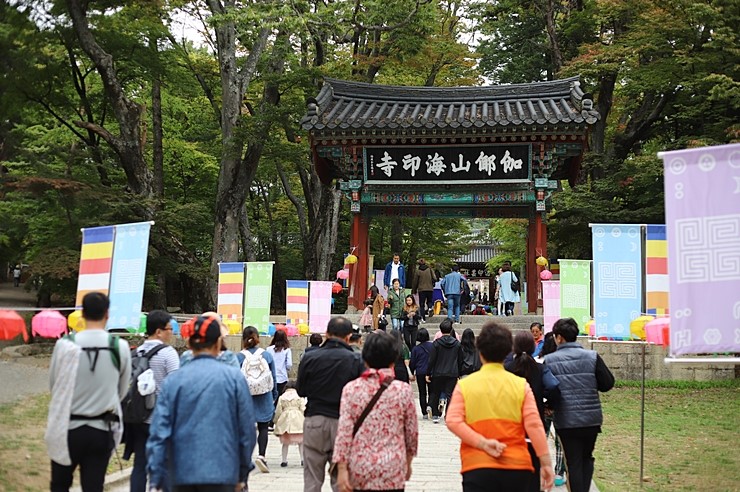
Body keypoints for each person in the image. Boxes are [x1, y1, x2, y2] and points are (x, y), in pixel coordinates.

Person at [146, 315, 256, 492]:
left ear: (189, 344)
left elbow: (159, 432)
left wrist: (156, 476)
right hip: (223, 472)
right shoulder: (234, 378)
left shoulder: (173, 382)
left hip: (181, 473)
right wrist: (242, 473)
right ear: (218, 343)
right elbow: (246, 430)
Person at [446, 321, 554, 492]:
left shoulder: (466, 385)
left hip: (477, 465)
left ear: (479, 352)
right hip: (516, 465)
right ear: (507, 352)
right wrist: (546, 462)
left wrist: (481, 443)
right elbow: (534, 425)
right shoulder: (520, 386)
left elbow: (452, 421)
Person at [47, 292, 132, 492]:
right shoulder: (119, 347)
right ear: (107, 314)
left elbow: (55, 386)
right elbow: (120, 391)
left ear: (82, 314)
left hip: (68, 428)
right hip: (101, 430)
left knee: (59, 484)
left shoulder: (65, 345)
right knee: (94, 486)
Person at [333, 331, 418, 492]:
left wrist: (342, 470)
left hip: (360, 467)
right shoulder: (403, 390)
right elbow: (411, 433)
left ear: (364, 359)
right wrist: (408, 462)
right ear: (393, 360)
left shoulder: (351, 389)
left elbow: (344, 432)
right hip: (393, 467)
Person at [545, 318, 615, 492]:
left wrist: (549, 405)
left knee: (573, 461)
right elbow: (607, 383)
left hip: (566, 420)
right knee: (586, 458)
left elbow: (547, 389)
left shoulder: (549, 360)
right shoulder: (592, 357)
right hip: (591, 420)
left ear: (559, 338)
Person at [297, 317, 364, 492]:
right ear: (349, 337)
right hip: (343, 423)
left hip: (315, 419)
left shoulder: (310, 357)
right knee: (341, 481)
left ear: (326, 334)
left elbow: (301, 390)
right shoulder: (356, 360)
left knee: (312, 479)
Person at [124, 310, 180, 492]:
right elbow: (175, 385)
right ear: (159, 331)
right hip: (161, 417)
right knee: (165, 463)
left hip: (138, 416)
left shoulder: (137, 351)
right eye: (169, 329)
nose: (171, 333)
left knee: (140, 464)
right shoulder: (168, 353)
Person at [505, 331, 561, 492]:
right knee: (533, 468)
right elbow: (553, 386)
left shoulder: (507, 368)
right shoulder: (540, 368)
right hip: (534, 422)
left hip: (510, 425)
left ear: (514, 348)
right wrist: (549, 404)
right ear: (533, 347)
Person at [240, 326, 278, 473]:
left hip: (246, 397)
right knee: (263, 427)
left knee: (246, 428)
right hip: (264, 395)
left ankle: (246, 457)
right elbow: (273, 377)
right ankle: (261, 456)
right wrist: (273, 395)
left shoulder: (239, 356)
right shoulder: (266, 355)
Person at [537, 331, 567, 486]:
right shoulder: (563, 361)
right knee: (560, 441)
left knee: (541, 436)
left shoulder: (542, 361)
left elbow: (543, 385)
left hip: (545, 406)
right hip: (561, 406)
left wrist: (546, 404)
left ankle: (541, 468)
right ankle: (559, 472)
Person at [426, 319, 462, 423]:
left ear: (440, 330)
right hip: (452, 372)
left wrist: (428, 372)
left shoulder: (436, 344)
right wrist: (459, 373)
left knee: (436, 393)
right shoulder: (457, 344)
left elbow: (432, 359)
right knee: (450, 394)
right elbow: (460, 360)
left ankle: (436, 415)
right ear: (451, 330)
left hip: (438, 372)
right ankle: (448, 415)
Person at [273, 380, 305, 468]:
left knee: (285, 443)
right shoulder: (299, 396)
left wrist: (275, 421)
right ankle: (302, 459)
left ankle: (284, 460)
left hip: (285, 420)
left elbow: (278, 410)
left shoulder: (282, 397)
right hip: (298, 420)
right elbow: (303, 408)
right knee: (301, 442)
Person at [409, 328, 433, 419]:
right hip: (430, 372)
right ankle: (430, 405)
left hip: (420, 372)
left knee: (422, 392)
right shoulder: (432, 346)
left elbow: (413, 362)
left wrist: (412, 372)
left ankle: (424, 412)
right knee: (432, 391)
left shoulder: (416, 349)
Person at [266, 329, 292, 397]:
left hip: (271, 377)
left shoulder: (268, 349)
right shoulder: (287, 350)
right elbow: (289, 364)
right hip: (282, 377)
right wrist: (285, 368)